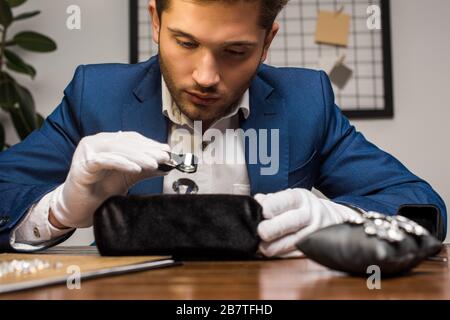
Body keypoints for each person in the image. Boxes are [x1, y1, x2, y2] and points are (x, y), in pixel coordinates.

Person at [0, 0, 446, 256]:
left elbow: (421, 205)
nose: (206, 76)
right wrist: (59, 209)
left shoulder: (307, 99)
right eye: (186, 43)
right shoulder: (94, 94)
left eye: (235, 50)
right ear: (156, 20)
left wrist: (340, 220)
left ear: (267, 42)